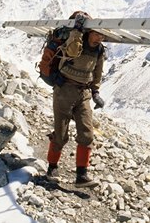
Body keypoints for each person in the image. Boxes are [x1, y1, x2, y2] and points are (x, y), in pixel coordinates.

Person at [46, 10, 106, 187]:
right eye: (97, 34)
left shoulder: (100, 50)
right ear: (90, 32)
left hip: (84, 93)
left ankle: (81, 175)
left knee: (87, 134)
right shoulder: (76, 40)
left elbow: (98, 72)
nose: (99, 38)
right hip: (65, 89)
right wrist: (77, 32)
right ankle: (52, 168)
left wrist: (95, 92)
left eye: (102, 35)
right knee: (61, 134)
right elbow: (72, 52)